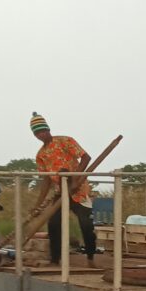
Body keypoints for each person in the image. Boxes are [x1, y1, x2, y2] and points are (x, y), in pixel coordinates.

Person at [30, 112, 97, 265]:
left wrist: (76, 178)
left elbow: (86, 157)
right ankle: (55, 259)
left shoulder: (65, 141)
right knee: (53, 224)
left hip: (78, 190)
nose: (41, 135)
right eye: (37, 133)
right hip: (60, 192)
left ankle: (91, 257)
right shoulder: (41, 155)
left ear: (48, 129)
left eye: (43, 131)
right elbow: (46, 180)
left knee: (86, 224)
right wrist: (38, 204)